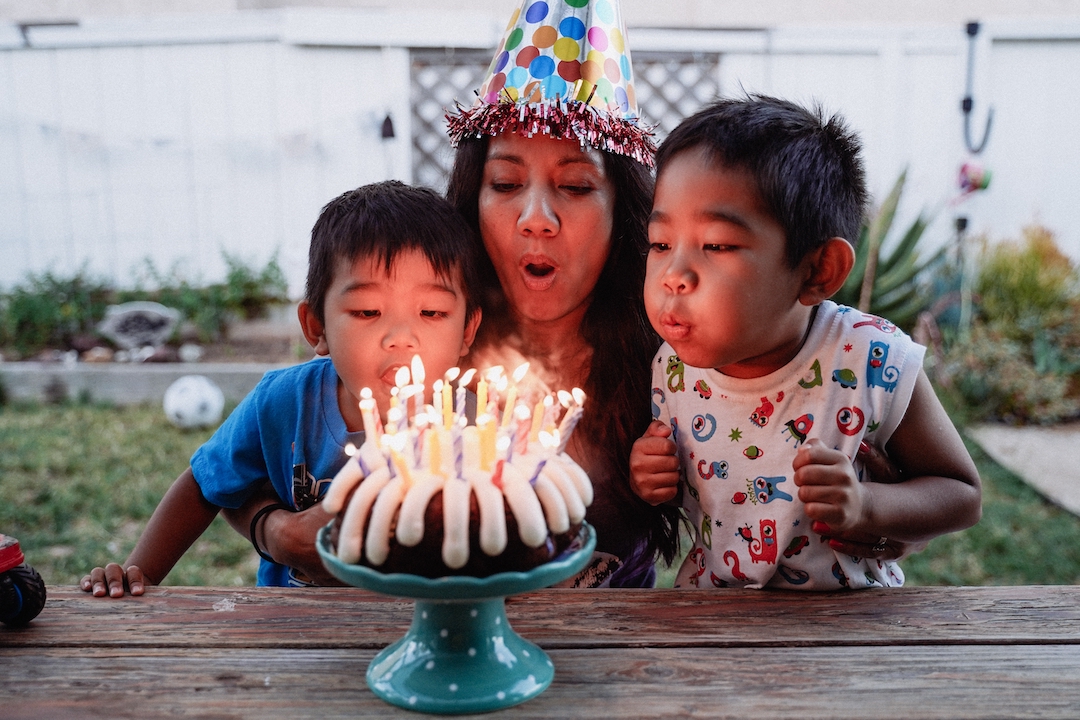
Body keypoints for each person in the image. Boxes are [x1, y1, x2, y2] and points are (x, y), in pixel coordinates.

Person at [629, 96, 982, 589]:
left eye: (717, 245)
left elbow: (962, 494)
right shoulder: (672, 367)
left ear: (818, 271)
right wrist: (654, 479)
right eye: (661, 244)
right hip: (712, 623)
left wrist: (867, 505)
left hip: (846, 633)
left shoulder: (870, 358)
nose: (674, 275)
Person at [81, 180, 482, 596]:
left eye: (432, 312)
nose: (401, 337)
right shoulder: (285, 402)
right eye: (368, 311)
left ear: (467, 330)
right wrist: (139, 574)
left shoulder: (476, 431)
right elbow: (205, 483)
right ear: (316, 327)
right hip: (292, 627)